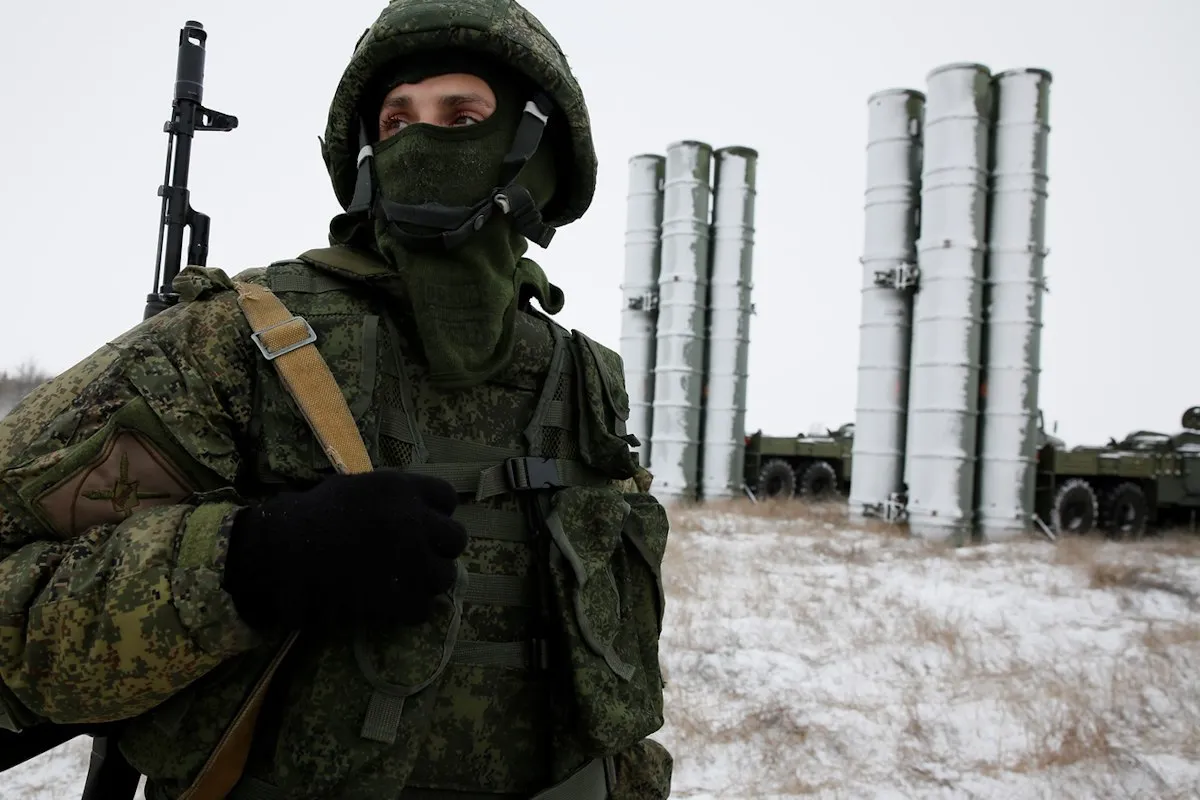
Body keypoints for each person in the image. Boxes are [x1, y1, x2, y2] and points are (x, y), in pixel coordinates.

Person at [0, 1, 672, 798]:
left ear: (539, 151)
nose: (420, 144)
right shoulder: (235, 341)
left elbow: (615, 688)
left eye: (462, 117)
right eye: (396, 122)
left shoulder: (583, 380)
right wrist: (253, 562)